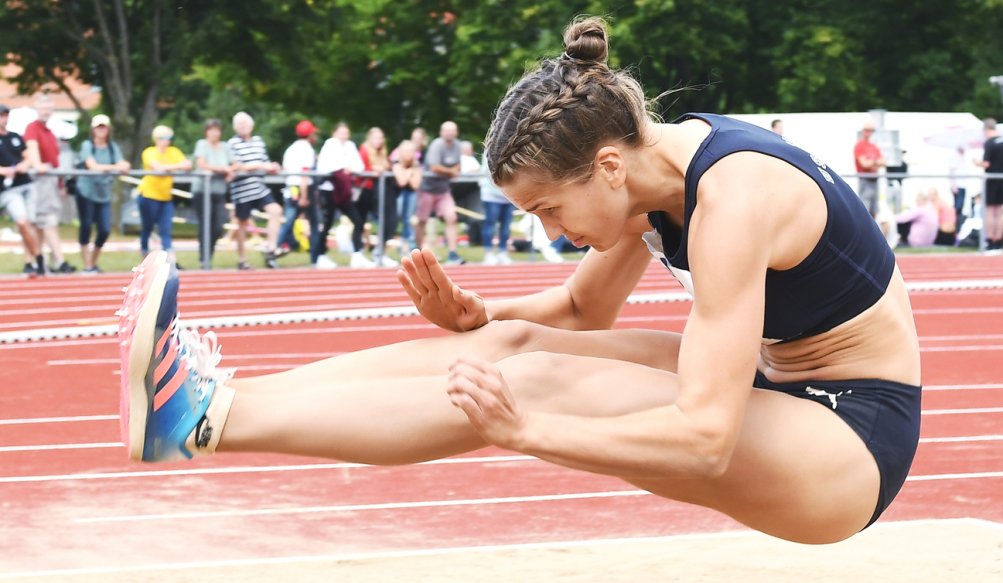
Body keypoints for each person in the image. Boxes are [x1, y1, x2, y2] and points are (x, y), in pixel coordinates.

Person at [118, 17, 920, 545]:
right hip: (782, 390)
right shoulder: (653, 178)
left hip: (849, 442)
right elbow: (580, 306)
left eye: (548, 208)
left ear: (607, 164)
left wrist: (523, 431)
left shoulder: (733, 199)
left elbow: (705, 438)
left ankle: (198, 420)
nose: (550, 232)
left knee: (531, 381)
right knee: (509, 343)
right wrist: (478, 313)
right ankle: (212, 400)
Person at [23, 94, 76, 274]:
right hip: (40, 180)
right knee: (46, 221)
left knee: (42, 223)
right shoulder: (33, 128)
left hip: (51, 179)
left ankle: (38, 261)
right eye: (43, 107)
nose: (46, 111)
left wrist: (60, 183)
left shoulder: (51, 133)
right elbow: (32, 148)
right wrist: (38, 165)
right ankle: (57, 260)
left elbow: (55, 161)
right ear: (36, 109)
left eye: (48, 108)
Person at [227, 112, 283, 270]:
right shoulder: (232, 143)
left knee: (276, 211)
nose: (243, 126)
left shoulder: (258, 141)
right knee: (242, 224)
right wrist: (260, 166)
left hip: (259, 187)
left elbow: (264, 161)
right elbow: (237, 165)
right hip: (242, 189)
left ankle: (271, 248)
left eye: (245, 123)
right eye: (239, 124)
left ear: (251, 125)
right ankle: (242, 259)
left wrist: (272, 167)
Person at [76, 114, 130, 273]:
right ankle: (86, 265)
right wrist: (114, 167)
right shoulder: (87, 145)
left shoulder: (113, 147)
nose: (101, 130)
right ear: (93, 129)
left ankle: (93, 262)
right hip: (86, 191)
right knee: (86, 226)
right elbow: (92, 166)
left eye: (104, 127)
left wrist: (122, 165)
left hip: (104, 193)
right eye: (98, 127)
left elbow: (124, 164)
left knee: (105, 229)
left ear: (108, 129)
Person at [315, 122, 371, 268]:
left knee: (358, 221)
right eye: (341, 132)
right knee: (327, 223)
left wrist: (349, 169)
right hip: (329, 190)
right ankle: (320, 256)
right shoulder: (329, 145)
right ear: (334, 133)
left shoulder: (350, 146)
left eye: (346, 132)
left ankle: (357, 254)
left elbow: (359, 166)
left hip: (345, 191)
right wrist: (342, 168)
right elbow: (325, 166)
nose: (344, 136)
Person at [138, 125, 192, 262]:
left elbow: (187, 165)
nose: (166, 141)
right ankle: (144, 254)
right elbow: (158, 168)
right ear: (156, 139)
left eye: (168, 138)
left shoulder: (173, 151)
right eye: (162, 138)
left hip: (165, 196)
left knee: (166, 229)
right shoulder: (149, 152)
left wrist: (172, 168)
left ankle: (171, 260)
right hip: (148, 195)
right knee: (147, 226)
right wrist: (176, 167)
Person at [0, 104, 41, 274]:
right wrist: (4, 170)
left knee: (30, 224)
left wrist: (24, 165)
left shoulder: (15, 136)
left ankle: (30, 262)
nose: (4, 118)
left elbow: (27, 157)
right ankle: (38, 256)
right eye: (2, 115)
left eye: (6, 115)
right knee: (22, 222)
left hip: (25, 183)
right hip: (8, 189)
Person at [417, 121, 464, 265]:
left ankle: (453, 253)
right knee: (422, 220)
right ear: (441, 132)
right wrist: (450, 172)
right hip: (427, 189)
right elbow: (434, 167)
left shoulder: (457, 145)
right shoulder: (437, 145)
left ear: (456, 132)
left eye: (452, 130)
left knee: (452, 217)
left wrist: (452, 171)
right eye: (447, 130)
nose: (450, 133)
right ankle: (418, 251)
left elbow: (457, 165)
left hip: (443, 189)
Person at [192, 119, 235, 266]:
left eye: (217, 130)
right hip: (202, 191)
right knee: (205, 225)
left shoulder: (225, 147)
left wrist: (232, 171)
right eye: (211, 130)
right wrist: (223, 169)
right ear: (206, 132)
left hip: (218, 191)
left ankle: (208, 255)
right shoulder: (202, 144)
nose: (214, 133)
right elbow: (202, 164)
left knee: (218, 226)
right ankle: (204, 258)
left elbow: (234, 163)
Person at [278, 120, 320, 261]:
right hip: (302, 188)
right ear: (310, 134)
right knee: (314, 223)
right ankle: (315, 257)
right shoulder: (307, 149)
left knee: (289, 221)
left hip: (291, 187)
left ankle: (276, 247)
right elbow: (304, 173)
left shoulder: (291, 148)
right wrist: (304, 196)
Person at [358, 127, 399, 267]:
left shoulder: (383, 153)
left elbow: (387, 167)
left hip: (385, 189)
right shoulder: (364, 151)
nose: (379, 141)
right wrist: (373, 170)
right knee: (372, 220)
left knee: (391, 221)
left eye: (381, 138)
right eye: (376, 137)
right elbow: (361, 168)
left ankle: (380, 251)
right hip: (370, 190)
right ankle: (363, 253)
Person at [974, 118, 1003, 253]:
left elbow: (986, 164)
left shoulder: (989, 143)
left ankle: (990, 241)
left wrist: (977, 163)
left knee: (990, 211)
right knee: (1000, 212)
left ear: (986, 129)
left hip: (991, 179)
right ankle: (999, 242)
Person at [478, 156, 515, 265]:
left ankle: (502, 252)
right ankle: (488, 253)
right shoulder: (491, 148)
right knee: (490, 223)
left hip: (508, 195)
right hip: (491, 194)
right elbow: (491, 170)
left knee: (506, 226)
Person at [392, 139, 423, 254]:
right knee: (400, 219)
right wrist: (410, 172)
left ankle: (409, 246)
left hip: (411, 195)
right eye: (405, 151)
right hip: (398, 195)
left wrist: (406, 173)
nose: (408, 154)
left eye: (410, 151)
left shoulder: (417, 164)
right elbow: (402, 182)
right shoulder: (396, 163)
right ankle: (402, 245)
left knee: (409, 220)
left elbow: (415, 185)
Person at [853, 120, 887, 223]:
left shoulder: (874, 147)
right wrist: (876, 162)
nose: (869, 132)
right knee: (864, 208)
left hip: (874, 179)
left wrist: (871, 162)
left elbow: (884, 162)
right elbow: (864, 164)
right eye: (867, 130)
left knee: (874, 208)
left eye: (871, 130)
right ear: (863, 131)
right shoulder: (859, 145)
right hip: (865, 179)